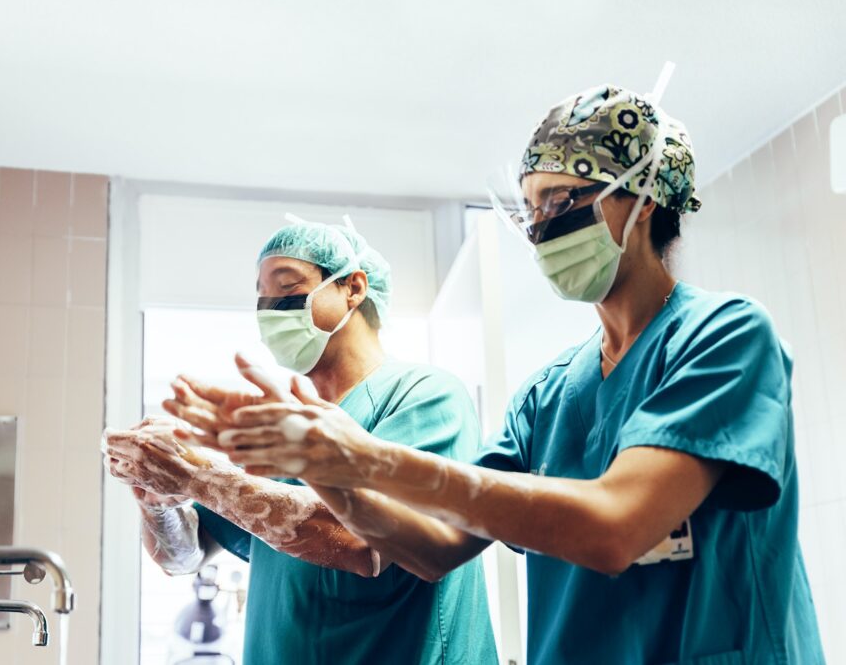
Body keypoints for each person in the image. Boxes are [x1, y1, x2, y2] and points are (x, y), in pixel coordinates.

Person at [199, 85, 826, 664]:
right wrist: (320, 464)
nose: (540, 227)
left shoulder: (726, 335)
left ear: (643, 197)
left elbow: (616, 526)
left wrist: (363, 459)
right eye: (529, 208)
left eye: (562, 200)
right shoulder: (547, 396)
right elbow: (430, 547)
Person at [103, 220, 497, 665]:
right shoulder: (282, 429)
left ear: (353, 287)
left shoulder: (424, 396)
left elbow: (360, 542)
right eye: (261, 296)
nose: (270, 308)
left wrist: (197, 476)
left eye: (287, 287)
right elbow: (183, 555)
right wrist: (157, 496)